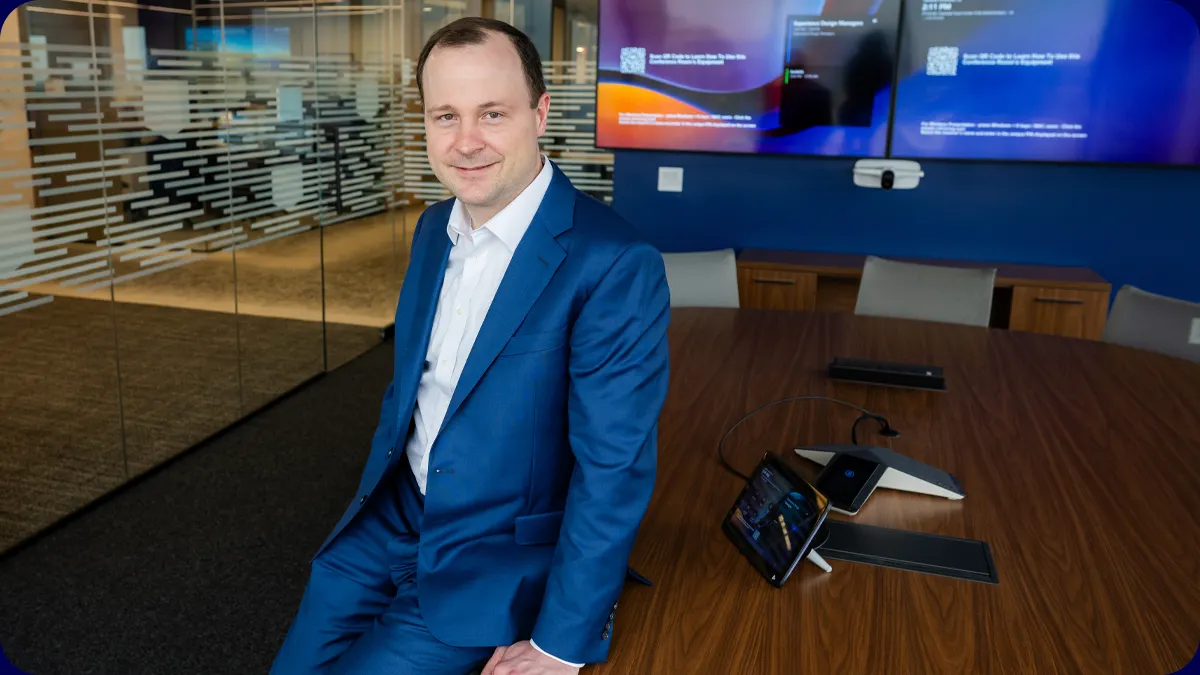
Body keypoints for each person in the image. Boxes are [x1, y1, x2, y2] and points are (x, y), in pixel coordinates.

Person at [270, 16, 671, 675]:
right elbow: (413, 389)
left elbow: (613, 468)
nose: (465, 143)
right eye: (444, 116)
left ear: (540, 113)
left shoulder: (612, 263)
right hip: (389, 521)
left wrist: (559, 645)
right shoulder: (433, 228)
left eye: (492, 113)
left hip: (493, 560)